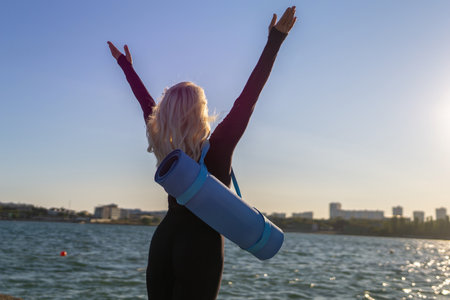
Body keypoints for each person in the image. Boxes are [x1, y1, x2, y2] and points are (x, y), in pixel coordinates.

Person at [107, 6, 296, 300]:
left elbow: (146, 105)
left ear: (167, 112)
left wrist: (126, 67)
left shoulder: (165, 148)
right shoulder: (219, 146)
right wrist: (276, 40)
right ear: (201, 111)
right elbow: (248, 97)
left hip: (164, 240)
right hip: (201, 247)